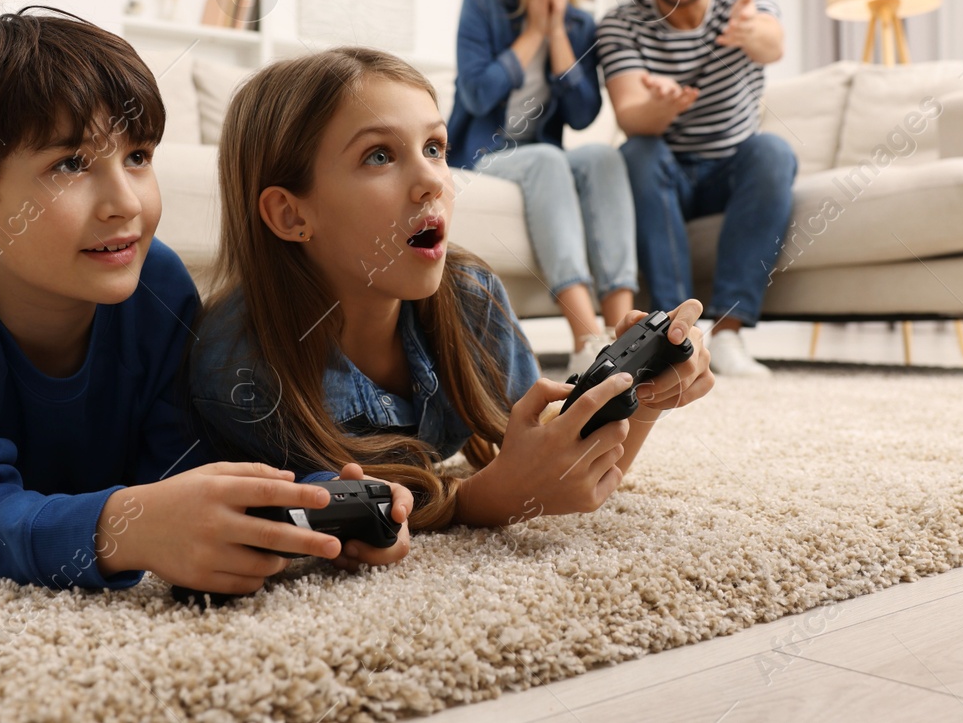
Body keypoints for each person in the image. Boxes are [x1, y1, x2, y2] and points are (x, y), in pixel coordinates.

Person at [0, 8, 410, 596]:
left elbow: (178, 466)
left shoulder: (156, 284)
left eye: (137, 157)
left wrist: (315, 500)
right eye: (71, 164)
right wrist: (122, 528)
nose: (126, 203)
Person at [189, 47, 713, 532]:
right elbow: (318, 518)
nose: (434, 182)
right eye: (378, 156)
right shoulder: (241, 371)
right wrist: (477, 502)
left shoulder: (471, 295)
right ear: (291, 213)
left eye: (434, 147)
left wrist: (640, 396)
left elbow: (564, 471)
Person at [597, 0, 798, 378]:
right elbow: (630, 116)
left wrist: (752, 32)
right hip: (666, 173)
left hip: (732, 171)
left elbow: (773, 43)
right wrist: (659, 108)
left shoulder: (744, 3)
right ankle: (675, 332)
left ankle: (728, 334)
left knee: (773, 150)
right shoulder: (621, 23)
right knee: (638, 152)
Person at [447, 0, 638, 376]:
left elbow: (582, 112)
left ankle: (627, 337)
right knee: (549, 159)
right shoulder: (483, 3)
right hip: (481, 156)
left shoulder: (579, 24)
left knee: (601, 157)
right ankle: (587, 340)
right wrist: (532, 29)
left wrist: (556, 33)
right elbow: (475, 93)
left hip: (539, 155)